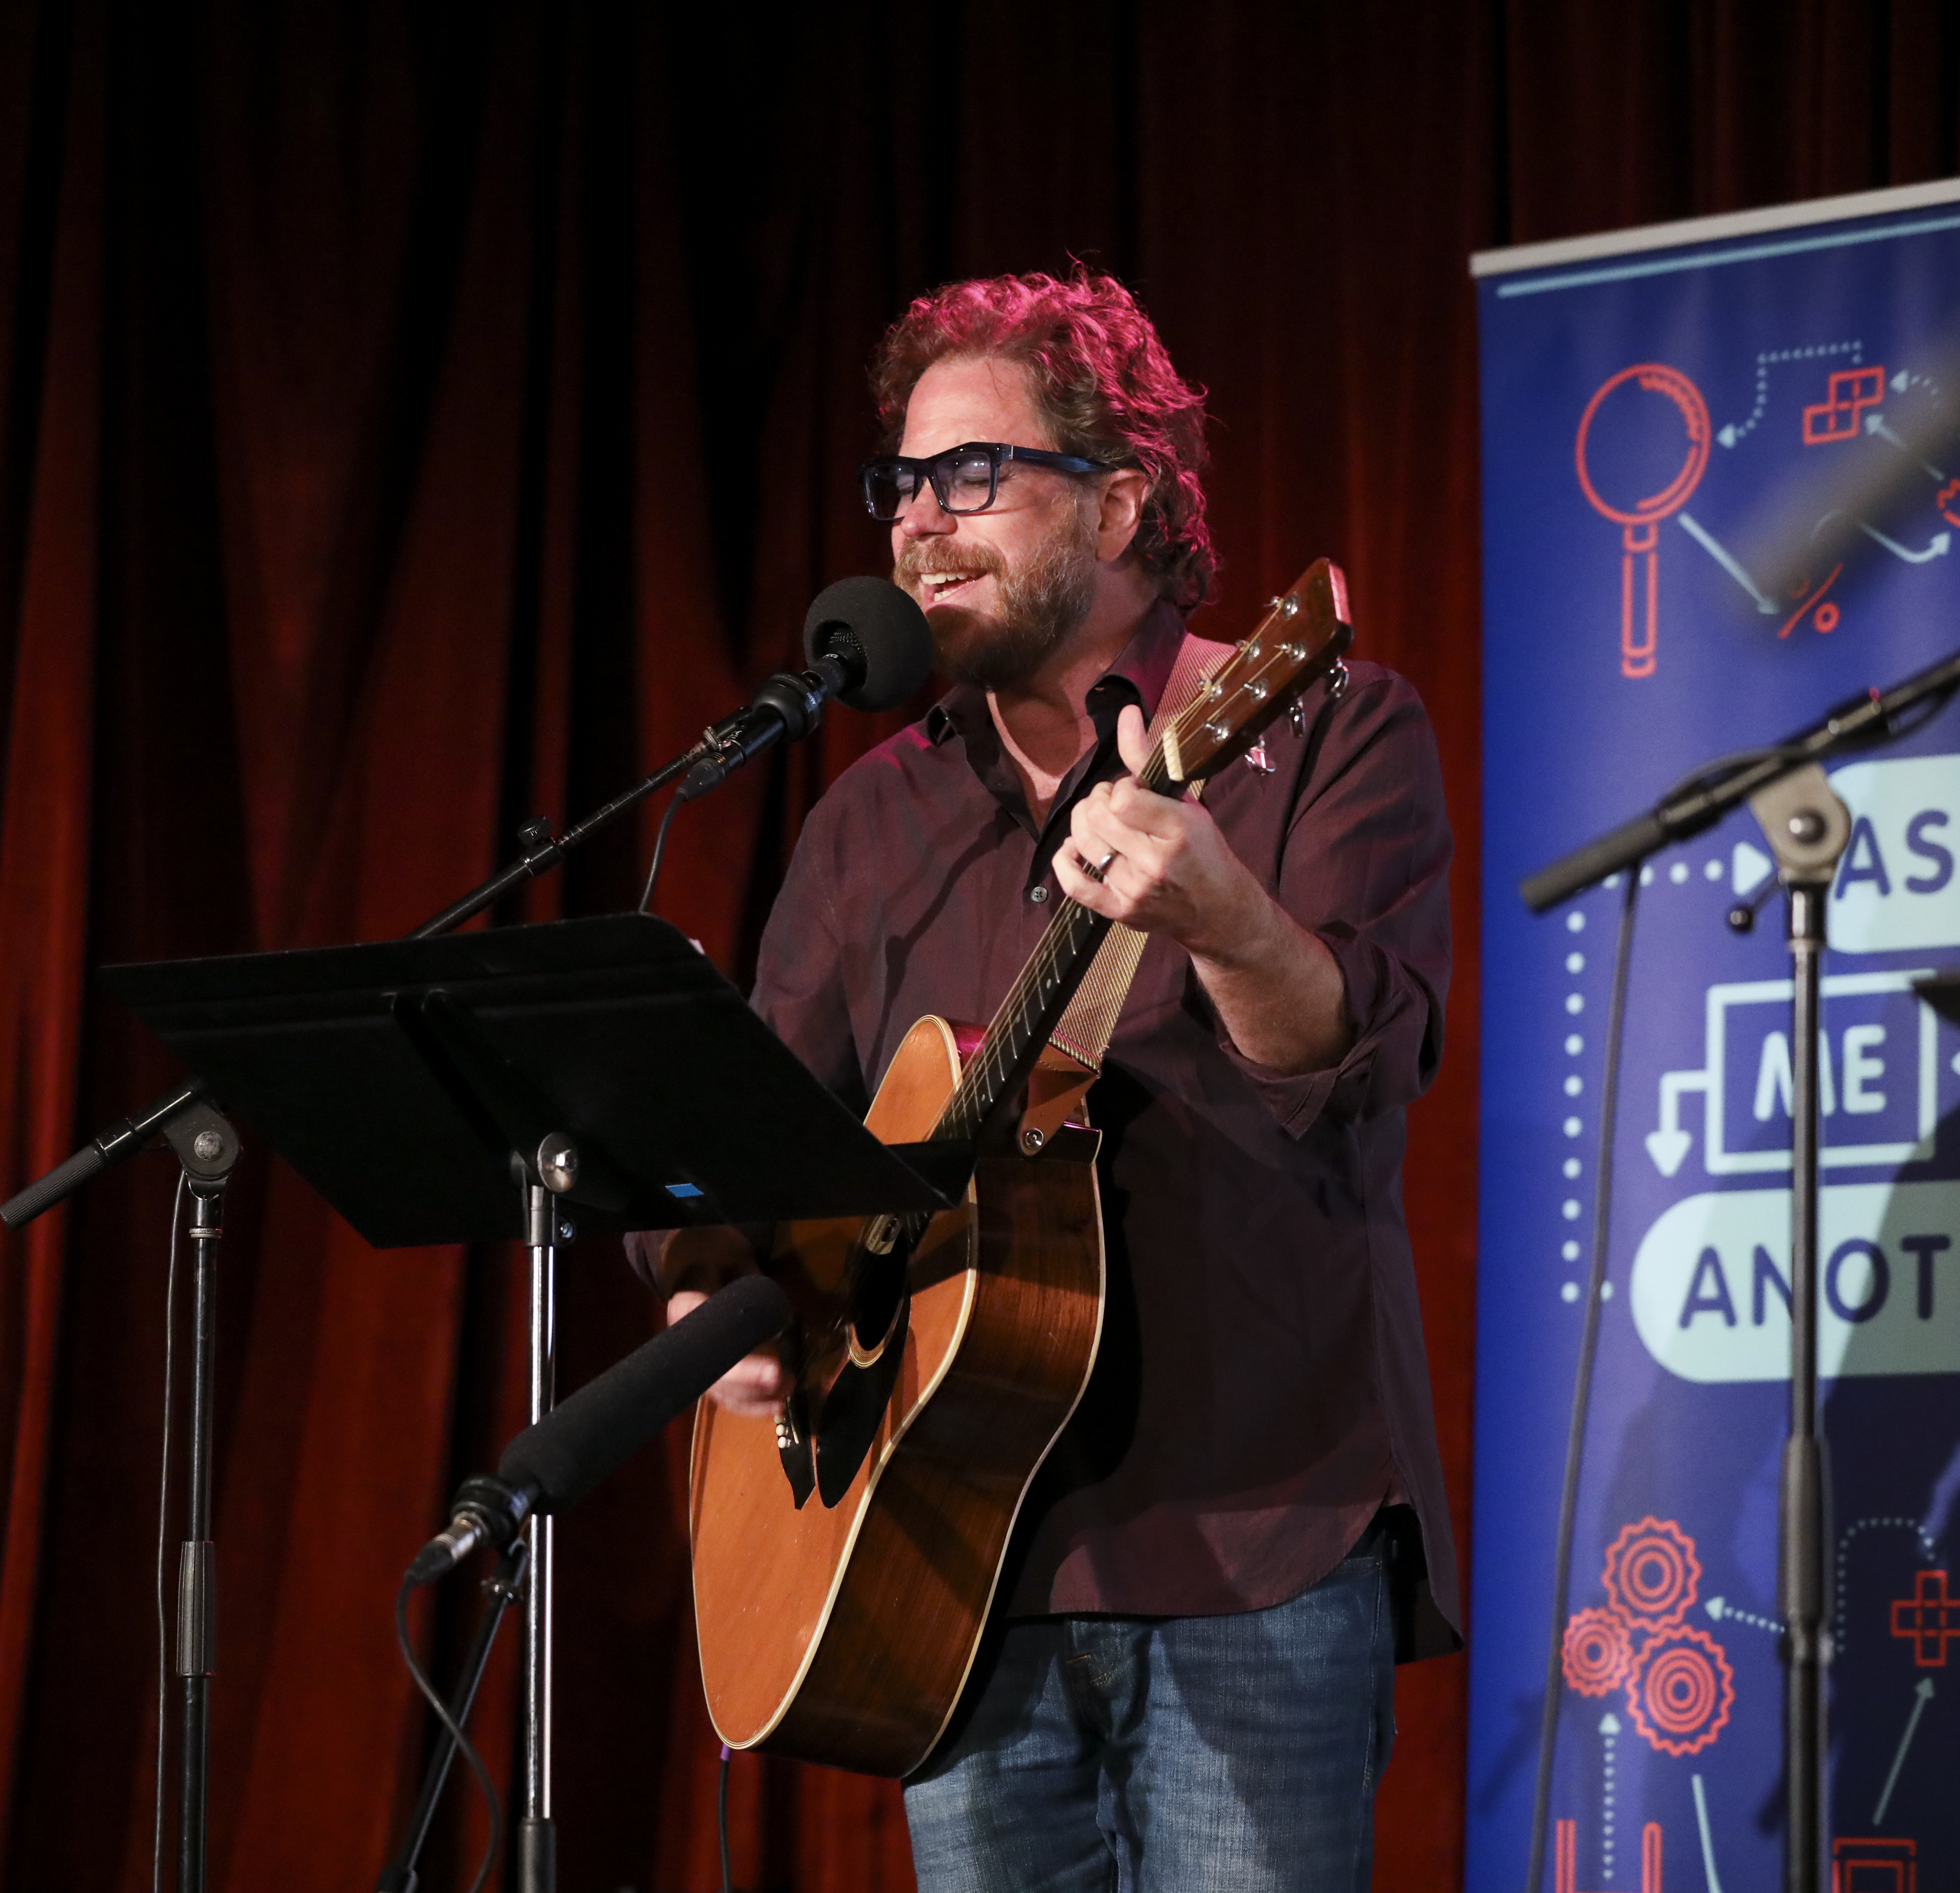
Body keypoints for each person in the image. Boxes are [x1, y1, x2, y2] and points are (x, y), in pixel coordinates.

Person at [635, 266, 1456, 1893]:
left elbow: (1350, 1058)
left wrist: (1221, 911)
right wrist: (709, 1293)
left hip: (1254, 1539)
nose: (920, 524)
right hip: (945, 1558)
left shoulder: (1324, 725)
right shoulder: (870, 823)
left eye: (971, 476)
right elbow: (750, 1143)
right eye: (901, 484)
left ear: (1125, 499)